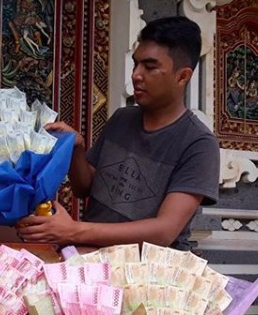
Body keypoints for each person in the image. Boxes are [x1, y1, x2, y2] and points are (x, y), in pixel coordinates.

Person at [17, 16, 220, 251]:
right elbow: (85, 188)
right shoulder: (123, 118)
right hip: (91, 253)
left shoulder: (199, 144)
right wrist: (76, 149)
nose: (136, 74)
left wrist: (73, 230)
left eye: (150, 67)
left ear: (182, 76)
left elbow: (164, 231)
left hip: (144, 270)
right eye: (136, 64)